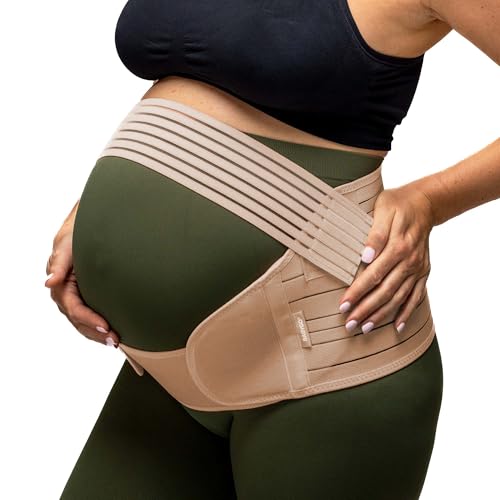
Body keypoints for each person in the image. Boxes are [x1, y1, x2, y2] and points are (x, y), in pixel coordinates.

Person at [45, 1, 500, 498]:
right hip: (164, 367)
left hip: (326, 361)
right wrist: (93, 209)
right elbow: (202, 75)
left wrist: (429, 201)